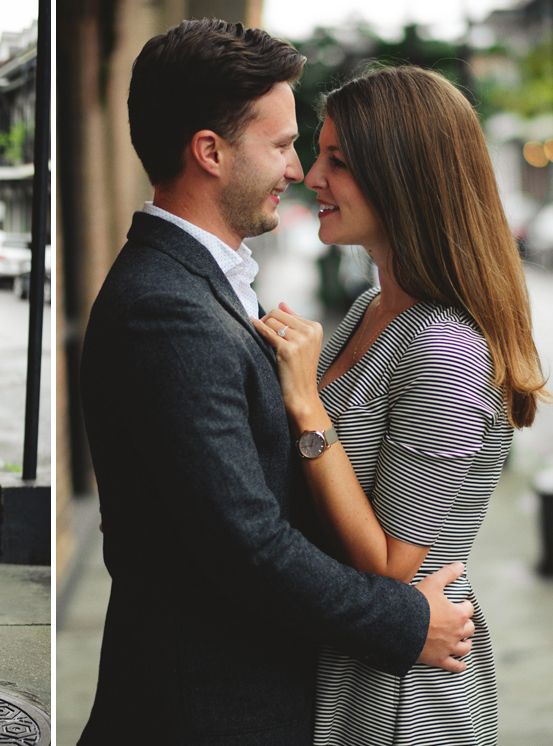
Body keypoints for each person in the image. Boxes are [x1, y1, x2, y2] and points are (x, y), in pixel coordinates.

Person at [78, 20, 475, 744]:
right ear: (210, 152)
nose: (299, 171)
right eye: (286, 145)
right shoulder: (167, 309)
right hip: (210, 711)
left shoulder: (207, 287)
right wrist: (407, 622)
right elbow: (247, 544)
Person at [252, 65, 549, 746]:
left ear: (404, 176)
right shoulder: (371, 308)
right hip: (344, 658)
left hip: (402, 694)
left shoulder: (444, 346)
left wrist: (307, 405)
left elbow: (391, 565)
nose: (311, 176)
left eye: (339, 160)